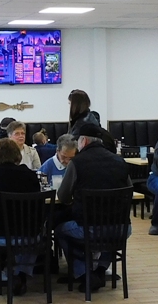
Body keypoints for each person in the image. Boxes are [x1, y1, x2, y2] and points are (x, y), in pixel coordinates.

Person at [55, 122, 131, 291]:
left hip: (89, 228)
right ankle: (100, 270)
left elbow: (63, 196)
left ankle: (85, 274)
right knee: (110, 236)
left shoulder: (77, 163)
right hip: (122, 228)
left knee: (60, 230)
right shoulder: (119, 161)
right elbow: (128, 191)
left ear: (84, 141)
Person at [0, 138, 42, 296]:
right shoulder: (30, 175)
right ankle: (20, 274)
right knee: (35, 234)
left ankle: (7, 271)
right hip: (29, 234)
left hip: (2, 234)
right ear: (17, 155)